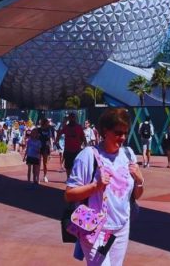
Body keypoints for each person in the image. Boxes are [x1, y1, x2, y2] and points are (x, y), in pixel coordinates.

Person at [65, 108, 144, 266]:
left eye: (125, 133)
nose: (122, 138)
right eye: (117, 133)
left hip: (121, 227)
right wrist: (96, 186)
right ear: (105, 131)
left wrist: (140, 181)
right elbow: (69, 194)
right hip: (95, 228)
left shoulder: (128, 154)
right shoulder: (88, 155)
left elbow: (136, 194)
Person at [59, 113, 86, 178]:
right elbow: (59, 133)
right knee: (68, 167)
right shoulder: (66, 127)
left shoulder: (79, 127)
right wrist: (56, 141)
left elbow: (83, 137)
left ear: (75, 119)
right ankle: (68, 178)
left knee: (76, 166)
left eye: (73, 117)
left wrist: (84, 145)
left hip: (76, 150)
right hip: (68, 150)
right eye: (70, 117)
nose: (72, 119)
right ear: (69, 118)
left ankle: (75, 179)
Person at [38, 117, 54, 183]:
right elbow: (36, 137)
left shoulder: (48, 130)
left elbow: (50, 138)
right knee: (38, 163)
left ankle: (45, 176)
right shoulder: (39, 129)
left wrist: (52, 146)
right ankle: (37, 176)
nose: (47, 124)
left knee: (45, 163)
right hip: (39, 146)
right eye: (46, 123)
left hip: (46, 147)